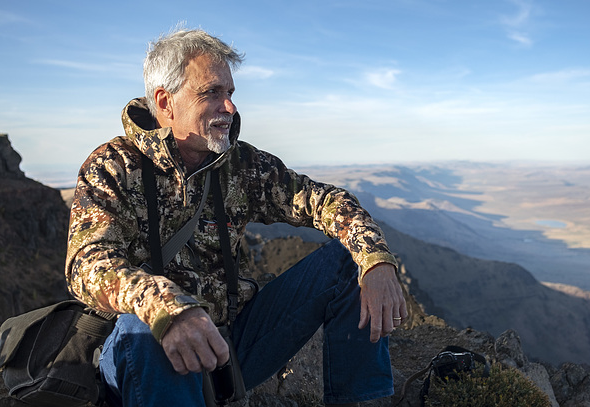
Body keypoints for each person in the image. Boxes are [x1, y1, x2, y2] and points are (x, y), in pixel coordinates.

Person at [65, 28, 407, 407]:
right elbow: (87, 265)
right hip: (143, 354)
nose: (229, 108)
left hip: (228, 347)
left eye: (229, 94)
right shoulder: (113, 167)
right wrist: (169, 309)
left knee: (347, 260)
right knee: (143, 326)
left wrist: (375, 260)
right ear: (165, 102)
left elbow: (325, 200)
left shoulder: (242, 166)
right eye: (211, 93)